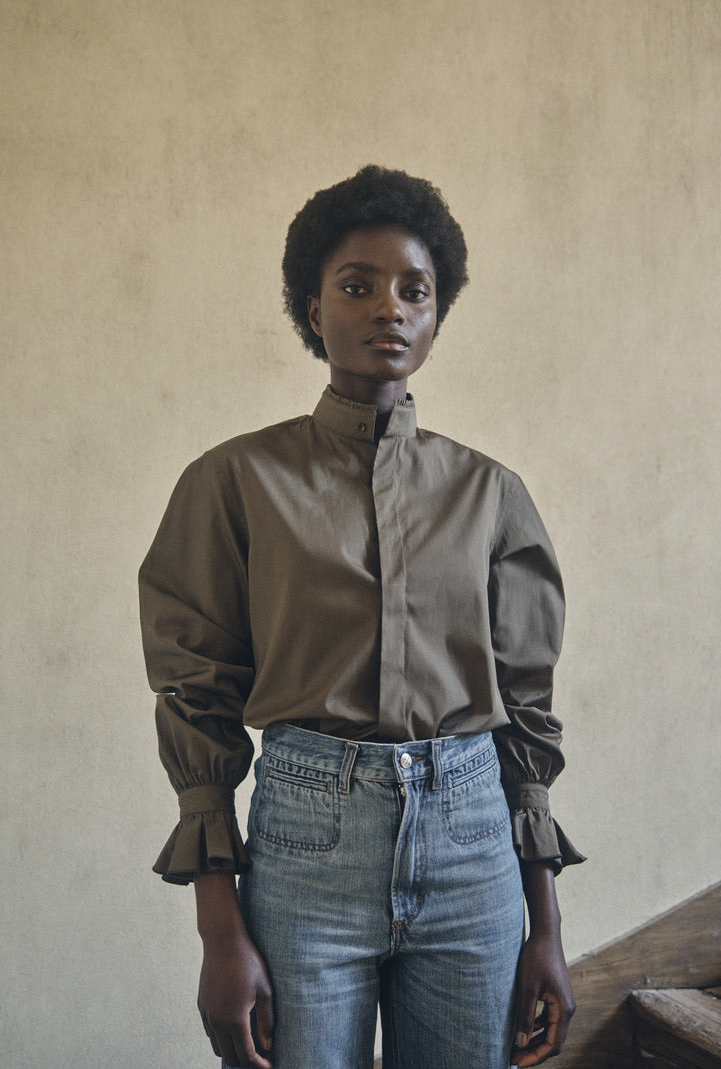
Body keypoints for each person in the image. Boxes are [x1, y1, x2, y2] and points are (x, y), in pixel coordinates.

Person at [139, 165, 585, 1069]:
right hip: (307, 851)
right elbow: (196, 697)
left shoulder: (491, 496)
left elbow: (526, 718)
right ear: (312, 309)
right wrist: (218, 934)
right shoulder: (233, 484)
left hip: (474, 853)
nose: (389, 307)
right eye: (358, 285)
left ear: (436, 316)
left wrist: (546, 926)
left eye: (414, 291)